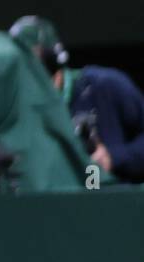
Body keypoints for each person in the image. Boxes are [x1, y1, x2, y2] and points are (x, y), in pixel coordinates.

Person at [10, 16, 144, 182]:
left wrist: (115, 157)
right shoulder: (13, 108)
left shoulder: (104, 85)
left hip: (115, 200)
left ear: (54, 61)